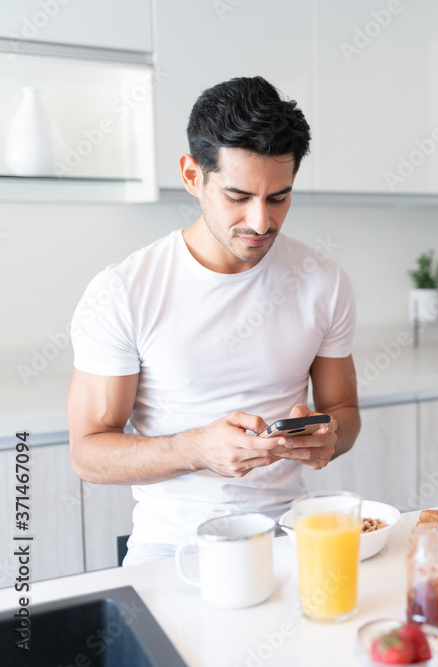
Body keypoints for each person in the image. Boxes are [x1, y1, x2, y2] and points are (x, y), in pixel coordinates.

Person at [67, 76, 360, 565]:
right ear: (191, 175)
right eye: (238, 196)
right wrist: (196, 450)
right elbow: (88, 455)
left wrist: (327, 437)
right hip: (168, 548)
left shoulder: (323, 281)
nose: (261, 222)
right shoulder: (124, 290)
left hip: (290, 538)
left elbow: (345, 413)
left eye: (278, 198)